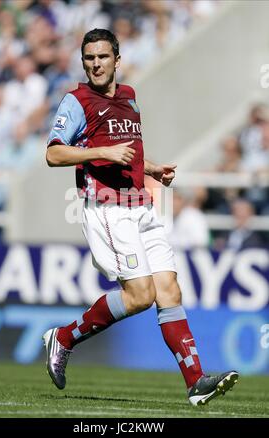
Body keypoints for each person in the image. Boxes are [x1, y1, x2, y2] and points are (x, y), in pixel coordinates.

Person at [43, 28, 238, 406]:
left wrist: (151, 169)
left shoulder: (129, 98)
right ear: (84, 62)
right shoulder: (77, 100)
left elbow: (125, 154)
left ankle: (196, 383)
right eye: (89, 58)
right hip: (109, 210)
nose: (96, 64)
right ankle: (64, 337)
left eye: (102, 57)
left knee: (169, 290)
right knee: (140, 296)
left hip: (142, 205)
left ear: (117, 59)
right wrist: (102, 151)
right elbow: (53, 154)